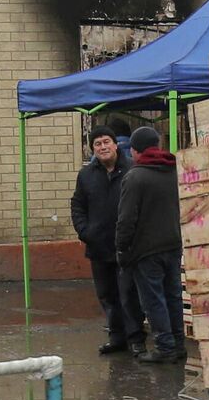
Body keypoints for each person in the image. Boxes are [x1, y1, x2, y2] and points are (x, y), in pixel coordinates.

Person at [71, 128, 146, 357]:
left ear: (116, 144)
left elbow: (143, 205)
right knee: (107, 295)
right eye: (97, 144)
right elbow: (77, 206)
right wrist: (85, 231)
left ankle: (136, 339)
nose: (102, 147)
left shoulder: (133, 170)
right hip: (99, 246)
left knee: (129, 294)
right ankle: (116, 337)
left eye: (106, 142)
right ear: (92, 149)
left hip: (127, 247)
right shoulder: (86, 175)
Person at [113, 126, 183, 364]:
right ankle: (178, 344)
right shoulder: (174, 170)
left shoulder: (135, 176)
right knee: (173, 295)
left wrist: (122, 249)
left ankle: (165, 347)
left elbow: (126, 219)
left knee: (154, 299)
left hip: (146, 250)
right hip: (173, 243)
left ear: (135, 150)